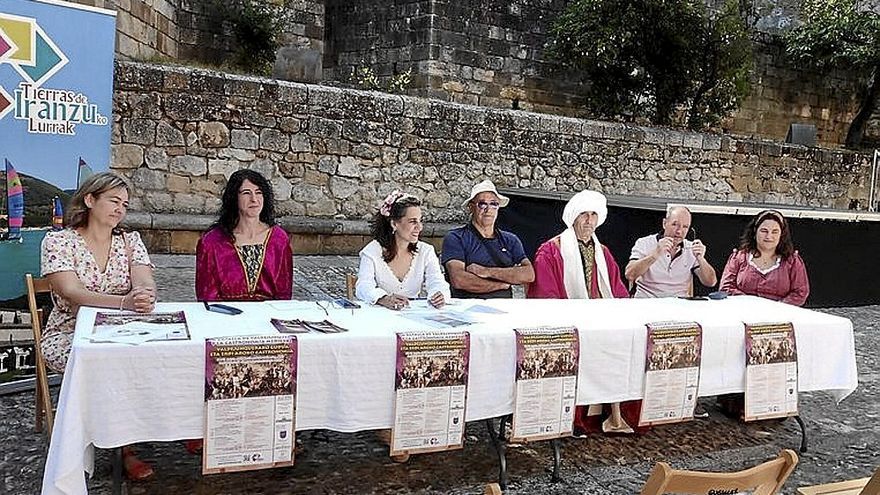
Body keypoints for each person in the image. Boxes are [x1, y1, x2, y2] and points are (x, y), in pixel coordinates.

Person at [40, 172, 157, 481]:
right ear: (90, 200)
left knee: (158, 355)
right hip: (69, 331)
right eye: (113, 201)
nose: (120, 209)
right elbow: (71, 292)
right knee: (111, 363)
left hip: (124, 328)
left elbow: (144, 277)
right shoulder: (59, 241)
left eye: (125, 204)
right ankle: (115, 448)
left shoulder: (130, 241)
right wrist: (124, 303)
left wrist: (144, 293)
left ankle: (150, 432)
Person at [527, 190, 644, 435]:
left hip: (601, 323)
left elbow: (617, 291)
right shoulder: (551, 251)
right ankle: (573, 418)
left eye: (593, 215)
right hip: (570, 325)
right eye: (584, 214)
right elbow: (546, 297)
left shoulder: (604, 253)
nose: (589, 220)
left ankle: (613, 416)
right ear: (573, 218)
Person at [196, 169, 293, 302]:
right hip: (225, 316)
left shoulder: (279, 239)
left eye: (258, 193)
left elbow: (284, 293)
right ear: (234, 197)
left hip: (268, 316)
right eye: (246, 193)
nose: (254, 199)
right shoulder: (212, 242)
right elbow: (207, 296)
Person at [355, 190, 450, 310]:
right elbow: (363, 286)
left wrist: (439, 294)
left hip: (415, 317)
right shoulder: (372, 252)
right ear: (394, 224)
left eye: (420, 221)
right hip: (381, 317)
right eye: (412, 221)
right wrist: (382, 298)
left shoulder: (426, 251)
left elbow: (437, 281)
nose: (419, 227)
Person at [441, 180, 534, 298]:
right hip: (466, 310)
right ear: (471, 207)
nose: (488, 209)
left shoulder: (511, 240)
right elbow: (459, 280)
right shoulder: (456, 238)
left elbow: (528, 274)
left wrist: (486, 271)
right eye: (482, 204)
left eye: (493, 204)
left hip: (503, 310)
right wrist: (502, 284)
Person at [720, 209, 809, 306]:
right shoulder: (738, 257)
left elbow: (800, 292)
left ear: (781, 235)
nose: (769, 236)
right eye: (764, 231)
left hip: (780, 316)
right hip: (743, 311)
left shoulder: (792, 261)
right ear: (755, 232)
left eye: (775, 232)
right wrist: (749, 303)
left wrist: (776, 308)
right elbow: (726, 287)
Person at [626, 206, 717, 298]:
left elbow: (711, 282)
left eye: (685, 227)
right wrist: (655, 255)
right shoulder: (644, 243)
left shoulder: (691, 248)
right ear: (664, 223)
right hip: (647, 301)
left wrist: (701, 259)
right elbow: (630, 274)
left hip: (678, 303)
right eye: (675, 224)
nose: (679, 231)